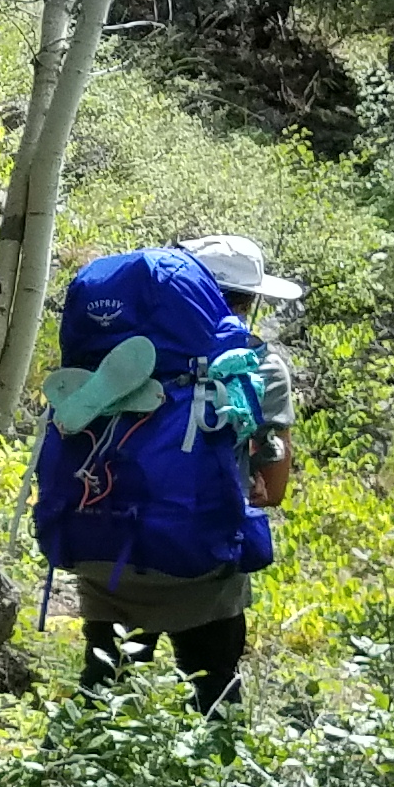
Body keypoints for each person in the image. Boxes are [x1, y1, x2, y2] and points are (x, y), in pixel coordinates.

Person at [72, 231, 299, 712]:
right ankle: (219, 785)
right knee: (215, 693)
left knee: (103, 686)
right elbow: (272, 491)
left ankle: (62, 781)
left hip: (103, 547)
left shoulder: (116, 351)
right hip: (198, 562)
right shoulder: (260, 365)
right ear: (249, 302)